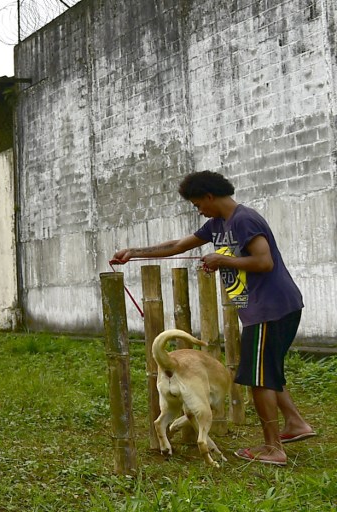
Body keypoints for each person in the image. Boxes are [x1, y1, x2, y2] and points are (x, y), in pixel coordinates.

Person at [112, 170, 314, 466]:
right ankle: (295, 424)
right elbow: (179, 245)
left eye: (197, 204)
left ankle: (273, 449)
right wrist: (134, 252)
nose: (199, 210)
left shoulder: (244, 219)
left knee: (259, 379)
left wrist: (223, 260)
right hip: (267, 308)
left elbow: (264, 261)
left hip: (271, 308)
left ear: (209, 196)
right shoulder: (218, 224)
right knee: (266, 371)